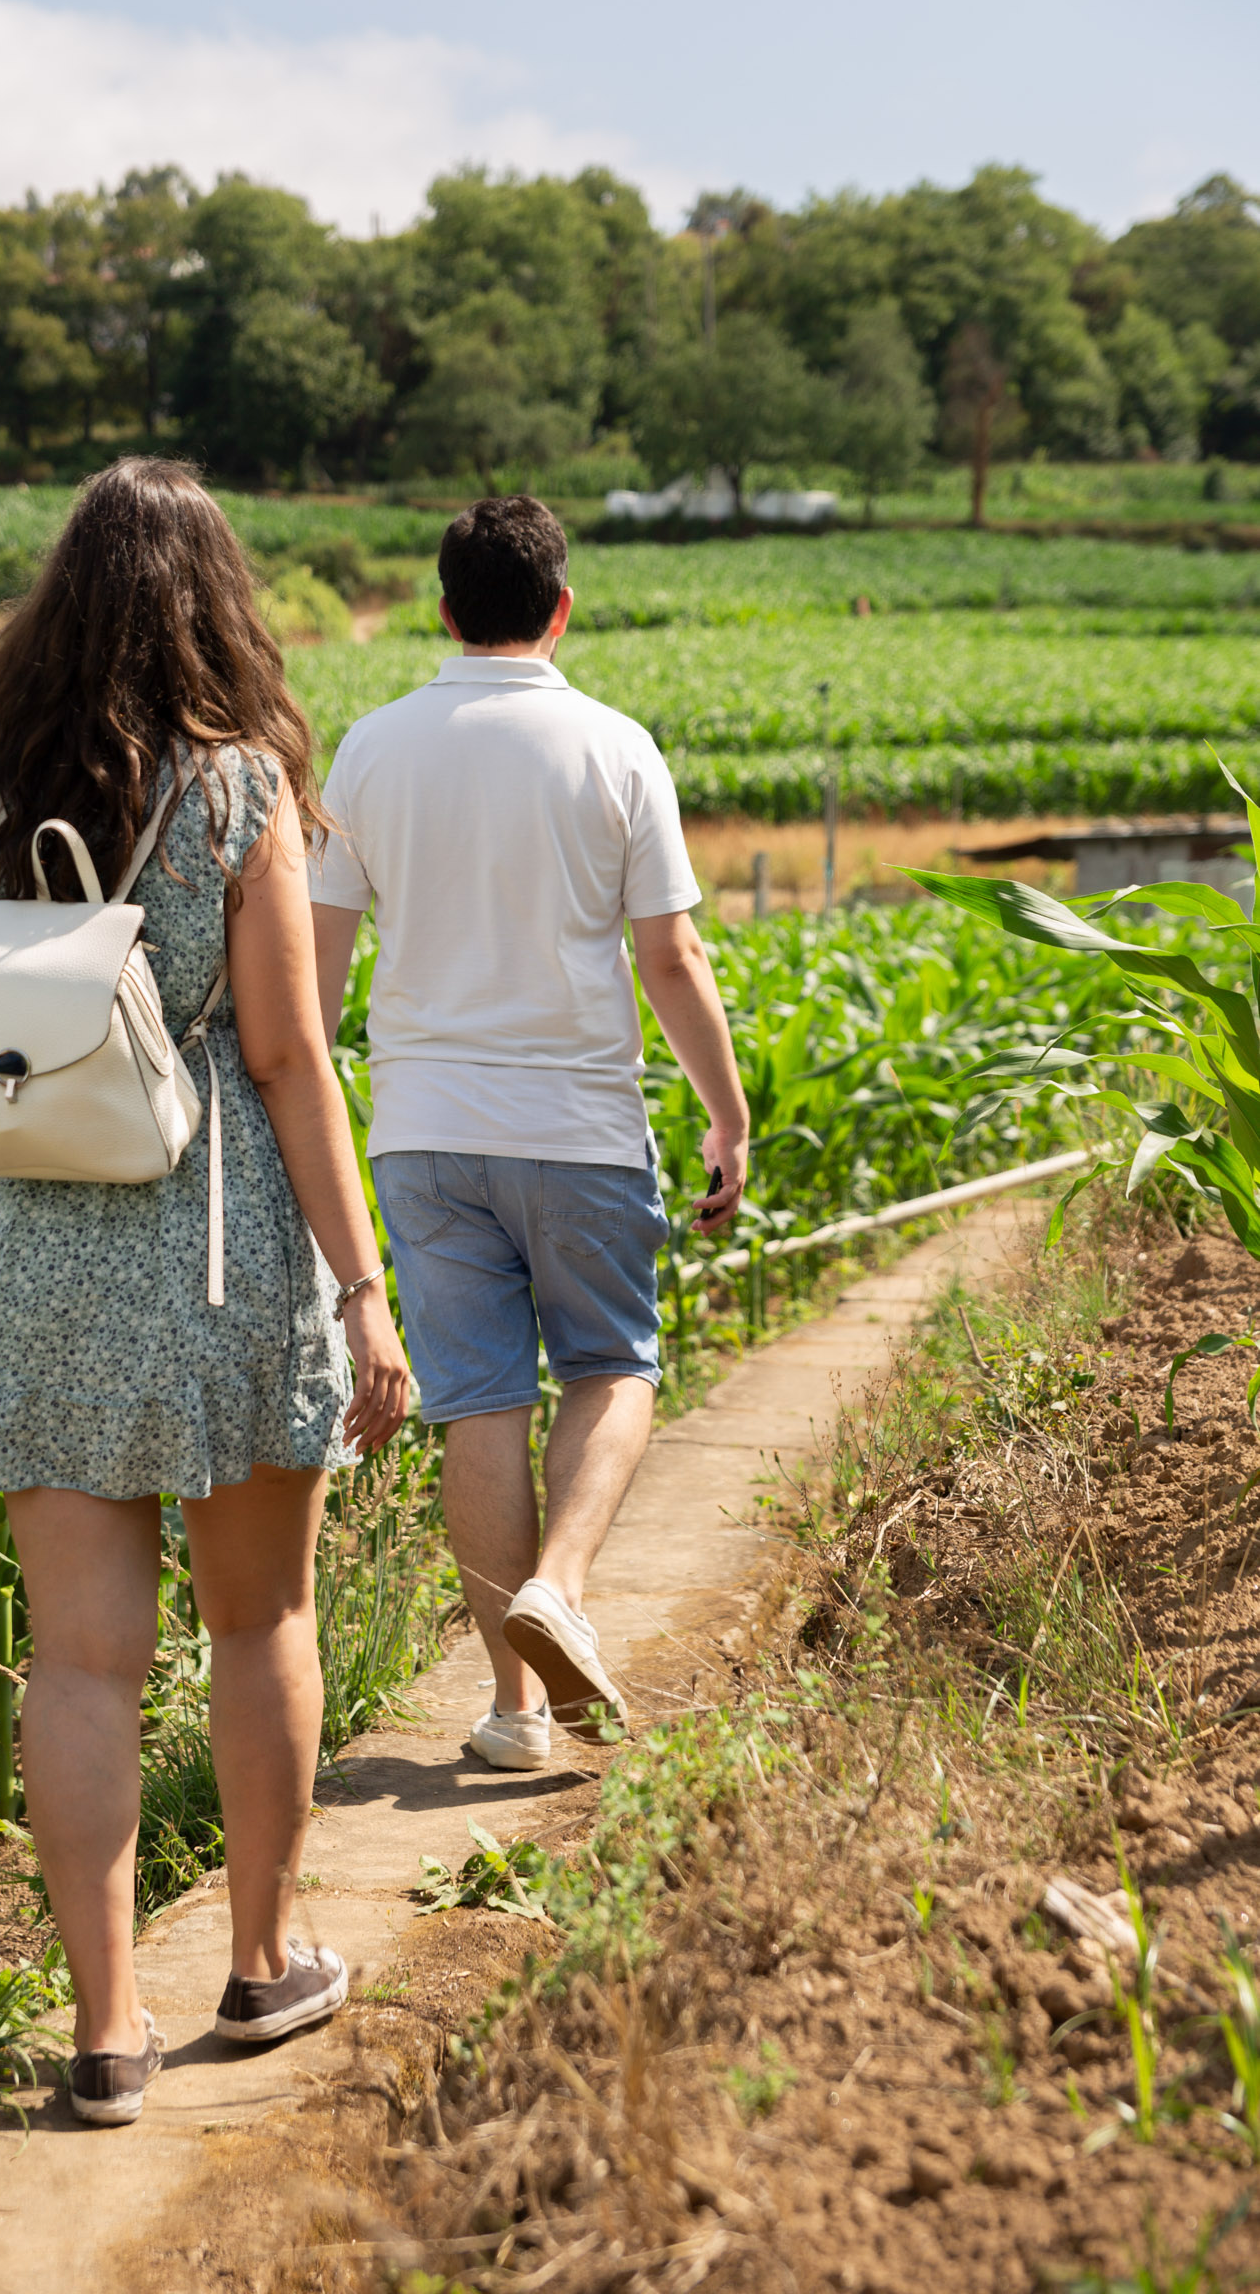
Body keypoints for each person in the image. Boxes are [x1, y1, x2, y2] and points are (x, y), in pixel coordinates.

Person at [0, 459, 410, 2127]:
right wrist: (362, 1293)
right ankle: (261, 1964)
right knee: (260, 1620)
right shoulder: (239, 797)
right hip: (219, 1248)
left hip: (32, 1257)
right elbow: (294, 1058)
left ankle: (104, 2032)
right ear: (212, 602)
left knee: (78, 1664)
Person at [308, 495, 747, 1771]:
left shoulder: (373, 748)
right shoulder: (617, 747)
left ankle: (512, 1709)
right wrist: (726, 1112)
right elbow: (670, 952)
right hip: (581, 1123)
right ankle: (562, 1583)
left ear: (443, 612)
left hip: (423, 1133)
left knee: (480, 1404)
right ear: (561, 609)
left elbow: (322, 984)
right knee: (612, 1365)